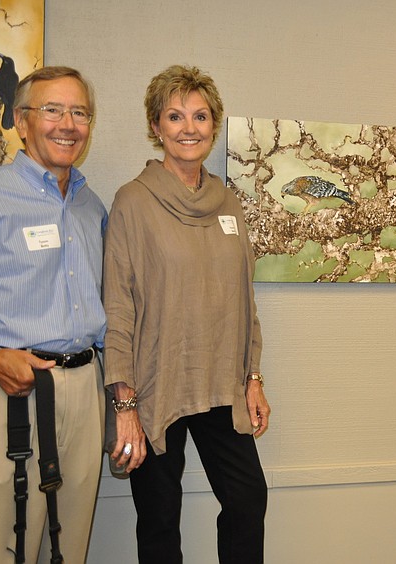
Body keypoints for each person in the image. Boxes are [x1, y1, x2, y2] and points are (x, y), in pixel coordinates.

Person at [103, 64, 270, 564]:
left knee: (248, 502)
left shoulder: (229, 203)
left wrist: (254, 376)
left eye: (200, 116)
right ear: (156, 126)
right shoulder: (133, 202)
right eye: (175, 116)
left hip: (221, 383)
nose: (188, 127)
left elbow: (244, 299)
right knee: (159, 520)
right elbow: (118, 307)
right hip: (156, 387)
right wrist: (124, 406)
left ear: (213, 126)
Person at [0, 66, 106, 563]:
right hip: (4, 392)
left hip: (84, 392)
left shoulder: (93, 207)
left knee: (68, 546)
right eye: (52, 110)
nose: (68, 123)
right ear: (21, 122)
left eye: (79, 112)